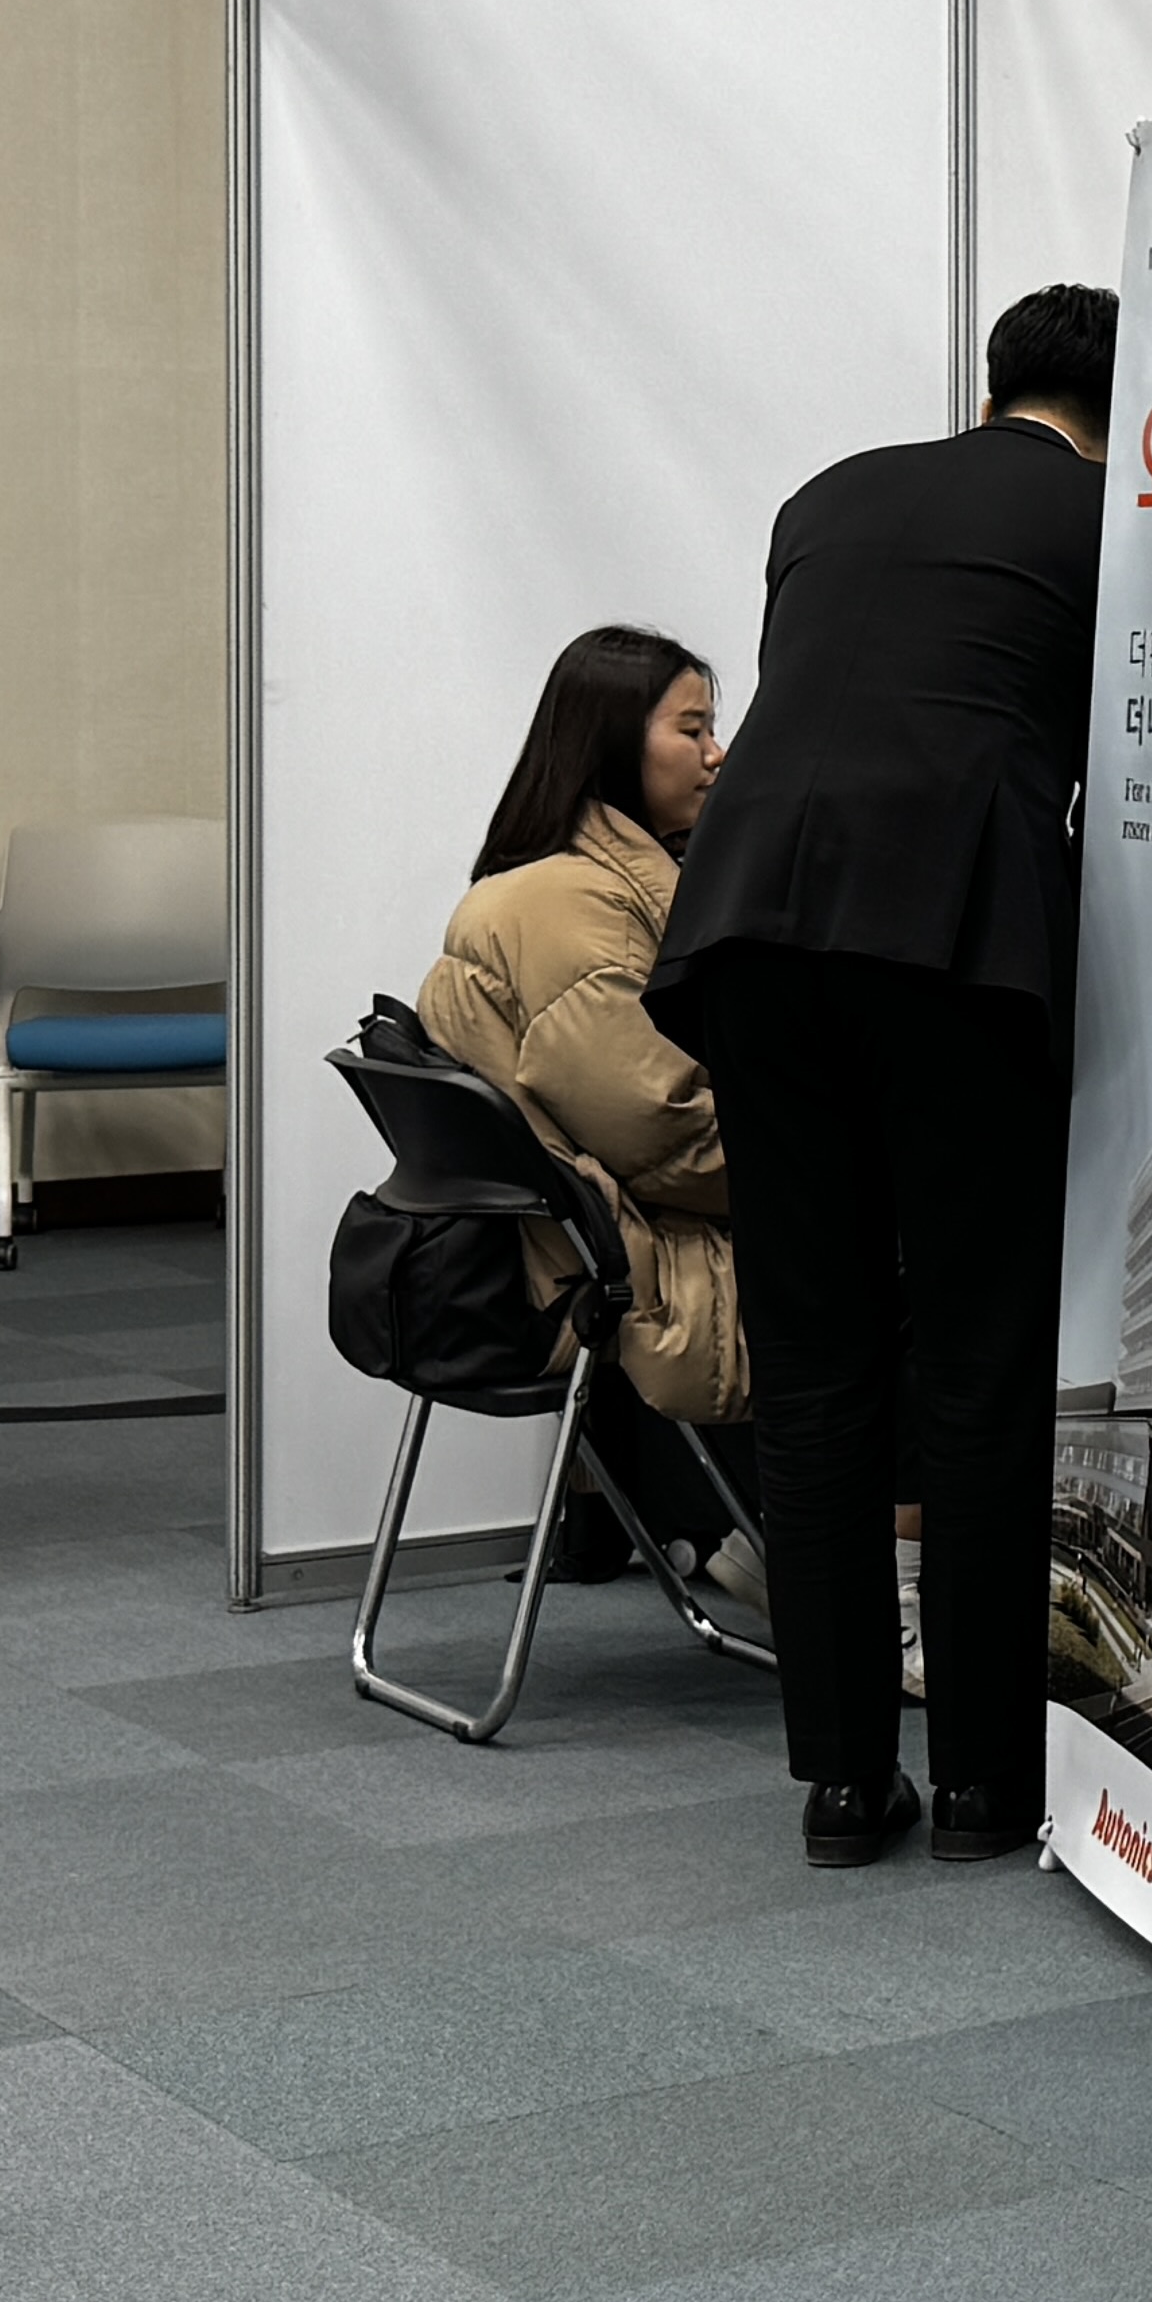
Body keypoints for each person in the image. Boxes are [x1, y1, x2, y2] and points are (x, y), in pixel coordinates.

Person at [650, 287, 1112, 1869]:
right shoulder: (1110, 521)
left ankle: (844, 1783)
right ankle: (982, 1779)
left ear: (991, 389)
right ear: (1126, 413)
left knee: (817, 1357)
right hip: (955, 943)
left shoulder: (829, 495)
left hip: (750, 933)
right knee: (977, 1357)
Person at [419, 625, 757, 1603]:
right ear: (615, 741)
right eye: (691, 729)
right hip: (624, 1267)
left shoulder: (563, 881)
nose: (717, 753)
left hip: (578, 1251)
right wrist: (820, 1163)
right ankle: (850, 1567)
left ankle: (775, 1540)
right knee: (908, 1259)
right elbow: (662, 1127)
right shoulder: (574, 906)